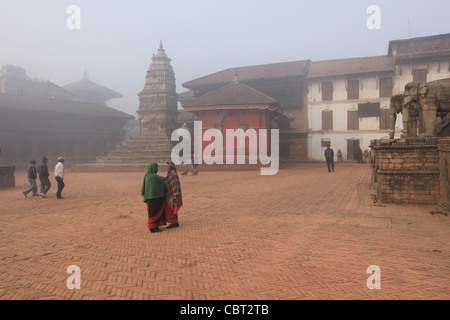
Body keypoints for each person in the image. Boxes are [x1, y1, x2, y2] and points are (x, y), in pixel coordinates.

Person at [141, 162, 166, 233]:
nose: (157, 169)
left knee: (151, 212)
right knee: (154, 212)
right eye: (156, 167)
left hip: (149, 197)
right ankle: (153, 227)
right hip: (155, 197)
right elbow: (162, 184)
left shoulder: (147, 175)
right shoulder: (154, 177)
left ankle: (154, 226)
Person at [164, 161, 183, 229]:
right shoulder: (171, 173)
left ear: (170, 166)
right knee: (173, 208)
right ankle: (174, 222)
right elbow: (168, 180)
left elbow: (175, 184)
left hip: (175, 194)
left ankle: (174, 223)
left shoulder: (173, 174)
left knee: (174, 208)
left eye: (167, 166)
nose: (166, 168)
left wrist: (176, 194)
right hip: (174, 194)